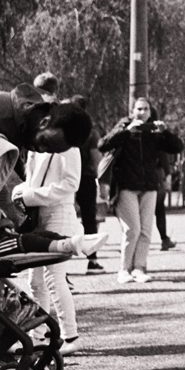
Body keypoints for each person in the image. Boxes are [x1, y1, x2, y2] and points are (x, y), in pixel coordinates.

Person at [12, 141, 107, 355]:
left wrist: (29, 195)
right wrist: (20, 192)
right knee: (35, 281)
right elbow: (31, 180)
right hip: (36, 216)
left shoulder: (68, 147)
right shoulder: (36, 146)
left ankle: (70, 336)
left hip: (59, 213)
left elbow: (70, 184)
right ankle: (38, 335)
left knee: (54, 277)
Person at [99, 97, 184, 284]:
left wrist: (165, 132)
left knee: (145, 230)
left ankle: (139, 267)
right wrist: (125, 131)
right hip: (126, 186)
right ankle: (123, 269)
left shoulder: (153, 130)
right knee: (132, 229)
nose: (142, 112)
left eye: (146, 109)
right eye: (139, 109)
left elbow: (177, 147)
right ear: (132, 110)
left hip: (149, 186)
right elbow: (102, 144)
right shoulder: (124, 125)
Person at [68, 95, 105, 274]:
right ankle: (92, 260)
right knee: (89, 218)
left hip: (66, 178)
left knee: (65, 218)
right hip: (86, 178)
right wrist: (101, 179)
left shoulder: (63, 128)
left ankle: (62, 267)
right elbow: (96, 157)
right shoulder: (90, 130)